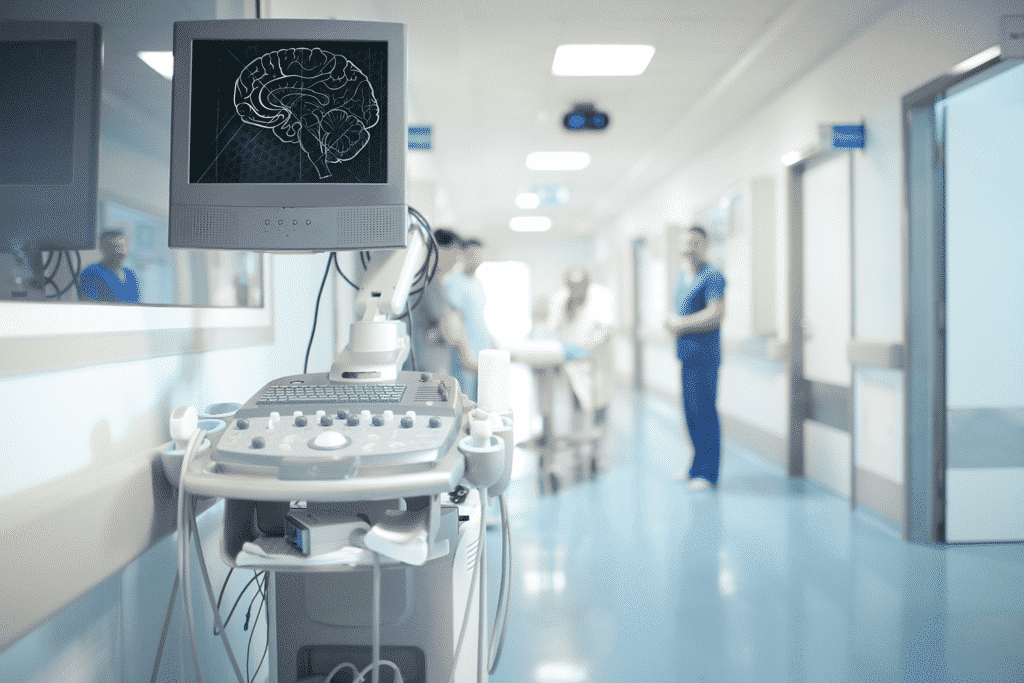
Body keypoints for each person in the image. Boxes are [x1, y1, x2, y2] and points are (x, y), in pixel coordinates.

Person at [665, 225, 726, 490]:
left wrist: (681, 324)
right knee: (690, 414)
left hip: (705, 356)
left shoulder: (712, 276)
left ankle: (708, 474)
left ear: (705, 245)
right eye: (685, 242)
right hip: (687, 356)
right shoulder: (683, 276)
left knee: (705, 413)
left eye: (695, 242)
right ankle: (695, 467)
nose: (689, 247)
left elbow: (716, 313)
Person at [546, 266, 615, 425]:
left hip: (598, 358)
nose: (576, 291)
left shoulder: (602, 296)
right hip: (572, 359)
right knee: (577, 396)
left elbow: (606, 330)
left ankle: (598, 433)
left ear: (588, 284)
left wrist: (586, 348)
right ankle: (579, 430)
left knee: (599, 397)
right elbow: (553, 328)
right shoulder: (559, 299)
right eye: (572, 287)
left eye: (580, 287)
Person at [406, 227, 465, 375]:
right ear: (439, 250)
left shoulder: (429, 282)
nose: (456, 261)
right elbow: (450, 334)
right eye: (455, 253)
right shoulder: (431, 284)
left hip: (427, 364)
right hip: (428, 367)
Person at [441, 237, 493, 402]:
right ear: (464, 255)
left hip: (482, 351)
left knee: (482, 402)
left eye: (480, 255)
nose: (477, 259)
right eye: (473, 254)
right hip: (464, 353)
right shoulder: (454, 281)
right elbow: (455, 318)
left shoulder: (478, 283)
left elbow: (479, 318)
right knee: (465, 402)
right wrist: (466, 351)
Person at [79, 229, 141, 303]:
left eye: (123, 247)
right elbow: (88, 305)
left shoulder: (131, 275)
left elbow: (137, 305)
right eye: (114, 247)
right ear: (102, 249)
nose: (120, 252)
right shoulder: (92, 272)